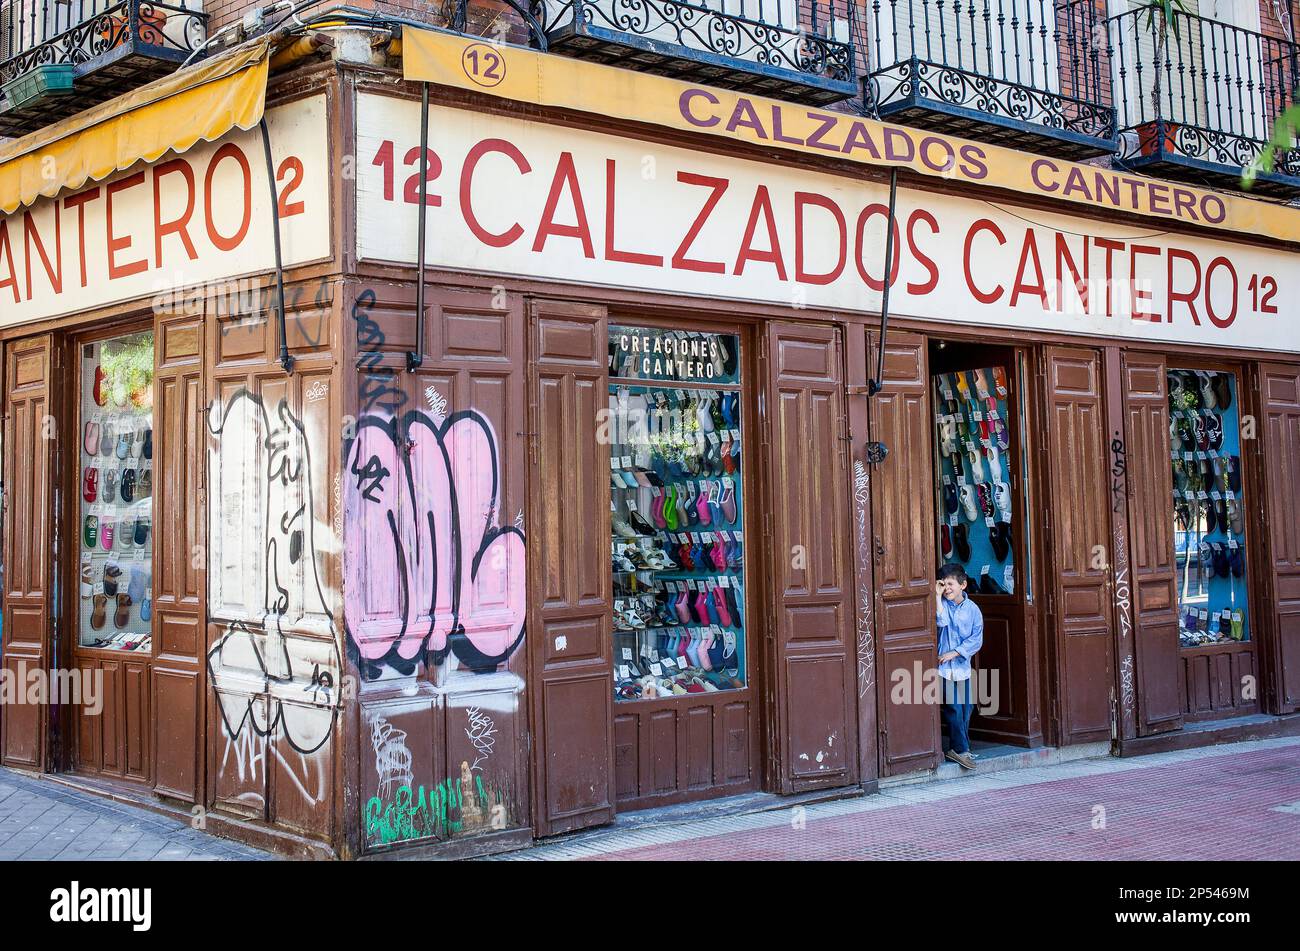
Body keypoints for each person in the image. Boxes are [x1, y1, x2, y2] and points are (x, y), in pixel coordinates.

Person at [935, 562, 983, 770]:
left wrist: (954, 653)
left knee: (966, 707)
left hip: (962, 666)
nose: (947, 589)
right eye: (943, 585)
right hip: (943, 669)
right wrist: (937, 597)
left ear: (963, 585)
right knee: (953, 708)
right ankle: (959, 750)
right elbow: (941, 622)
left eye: (951, 584)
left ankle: (962, 747)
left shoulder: (973, 610)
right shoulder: (942, 605)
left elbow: (976, 639)